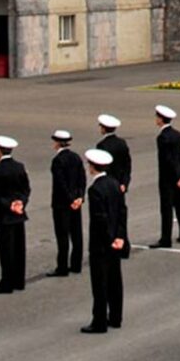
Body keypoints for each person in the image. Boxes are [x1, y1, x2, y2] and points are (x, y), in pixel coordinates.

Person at [81, 149, 126, 334]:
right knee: (115, 279)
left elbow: (100, 218)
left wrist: (109, 239)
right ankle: (116, 317)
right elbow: (122, 212)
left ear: (92, 167)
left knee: (100, 283)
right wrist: (120, 237)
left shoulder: (95, 190)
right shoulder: (115, 184)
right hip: (116, 240)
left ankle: (99, 321)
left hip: (101, 244)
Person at [0, 136, 31, 294]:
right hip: (19, 214)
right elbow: (26, 190)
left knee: (6, 250)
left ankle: (7, 282)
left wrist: (8, 205)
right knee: (19, 249)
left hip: (4, 216)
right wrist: (21, 203)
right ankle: (19, 280)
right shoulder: (19, 167)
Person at [151, 105, 180, 248]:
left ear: (161, 119)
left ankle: (165, 238)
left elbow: (168, 161)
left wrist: (176, 178)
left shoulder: (162, 138)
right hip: (179, 177)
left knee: (166, 209)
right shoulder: (178, 135)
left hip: (168, 179)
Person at [48, 130, 85, 277]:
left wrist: (70, 199)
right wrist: (79, 197)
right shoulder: (76, 157)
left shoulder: (57, 161)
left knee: (62, 235)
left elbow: (60, 183)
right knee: (76, 234)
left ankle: (62, 266)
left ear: (57, 142)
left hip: (62, 204)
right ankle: (76, 264)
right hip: (76, 202)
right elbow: (81, 179)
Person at [95, 114, 131, 258]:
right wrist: (124, 183)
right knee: (121, 214)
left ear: (104, 128)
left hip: (108, 185)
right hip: (119, 185)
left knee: (109, 215)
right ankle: (124, 244)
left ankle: (111, 242)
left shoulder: (102, 146)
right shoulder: (122, 143)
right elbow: (127, 165)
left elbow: (103, 167)